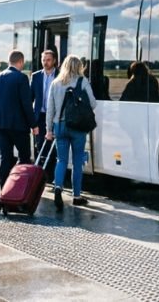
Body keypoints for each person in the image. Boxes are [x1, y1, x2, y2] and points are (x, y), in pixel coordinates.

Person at [45, 54, 97, 210]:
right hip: (77, 127)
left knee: (61, 160)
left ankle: (58, 188)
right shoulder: (82, 81)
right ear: (79, 67)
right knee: (77, 162)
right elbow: (93, 103)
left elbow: (50, 109)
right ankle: (76, 196)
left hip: (59, 126)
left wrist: (48, 129)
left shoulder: (55, 83)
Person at [0, 50, 37, 189]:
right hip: (19, 126)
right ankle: (20, 189)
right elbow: (26, 104)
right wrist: (33, 124)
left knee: (5, 158)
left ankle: (4, 190)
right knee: (24, 158)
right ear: (20, 62)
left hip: (2, 127)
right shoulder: (21, 78)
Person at [30, 49, 58, 173]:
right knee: (39, 144)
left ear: (54, 61)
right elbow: (30, 98)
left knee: (53, 146)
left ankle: (51, 173)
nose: (45, 63)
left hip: (55, 116)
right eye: (43, 60)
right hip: (40, 116)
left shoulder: (60, 75)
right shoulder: (36, 76)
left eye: (48, 60)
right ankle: (40, 173)